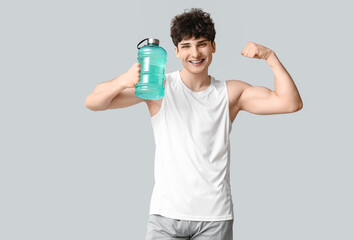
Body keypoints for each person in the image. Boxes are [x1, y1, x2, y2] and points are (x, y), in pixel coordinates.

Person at [85, 8, 303, 240]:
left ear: (213, 47)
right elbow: (94, 103)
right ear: (176, 51)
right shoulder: (158, 87)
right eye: (186, 46)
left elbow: (290, 103)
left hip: (214, 217)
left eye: (202, 44)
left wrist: (270, 56)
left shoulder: (230, 92)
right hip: (165, 216)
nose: (195, 52)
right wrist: (122, 81)